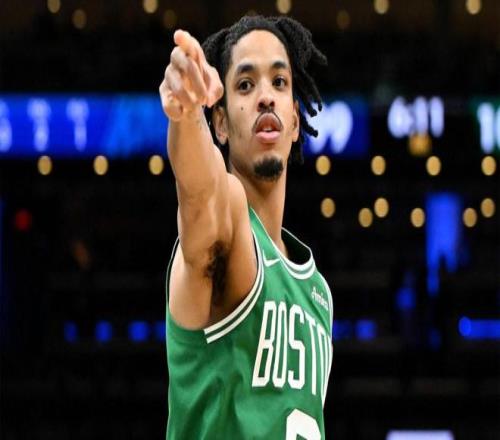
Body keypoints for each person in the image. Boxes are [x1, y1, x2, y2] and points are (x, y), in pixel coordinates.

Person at [159, 15, 334, 439]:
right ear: (220, 123)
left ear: (295, 120)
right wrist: (187, 115)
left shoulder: (320, 295)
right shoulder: (228, 221)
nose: (265, 97)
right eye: (245, 84)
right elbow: (201, 191)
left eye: (279, 82)